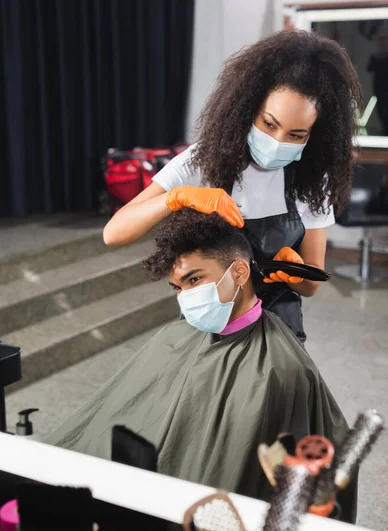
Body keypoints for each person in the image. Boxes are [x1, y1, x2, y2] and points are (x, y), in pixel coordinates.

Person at [46, 209, 356, 522]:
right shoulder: (173, 338)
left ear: (238, 273)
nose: (186, 297)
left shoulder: (279, 370)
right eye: (178, 287)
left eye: (195, 279)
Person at [102, 29, 362, 344]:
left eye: (297, 135)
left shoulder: (310, 178)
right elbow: (114, 233)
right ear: (248, 108)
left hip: (278, 336)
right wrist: (177, 196)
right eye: (269, 124)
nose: (277, 142)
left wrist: (298, 274)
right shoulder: (203, 160)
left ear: (315, 134)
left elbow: (312, 282)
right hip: (207, 332)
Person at [367, 36, 388, 135]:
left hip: (386, 87)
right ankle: (385, 128)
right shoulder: (375, 57)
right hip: (378, 87)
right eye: (381, 42)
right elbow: (369, 68)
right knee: (380, 108)